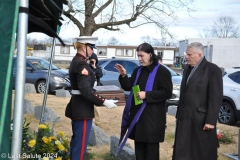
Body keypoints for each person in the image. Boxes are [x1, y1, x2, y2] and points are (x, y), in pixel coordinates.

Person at [115, 42, 173, 160]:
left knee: (151, 154)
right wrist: (123, 76)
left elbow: (167, 93)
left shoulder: (162, 71)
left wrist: (146, 95)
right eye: (138, 56)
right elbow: (129, 87)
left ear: (150, 54)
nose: (140, 59)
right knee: (139, 152)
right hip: (138, 118)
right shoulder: (138, 70)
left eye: (142, 56)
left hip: (152, 119)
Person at [65, 36, 118, 160]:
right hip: (82, 109)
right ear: (84, 47)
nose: (93, 51)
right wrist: (104, 101)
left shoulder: (78, 61)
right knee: (80, 147)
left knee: (76, 144)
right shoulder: (81, 64)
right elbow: (86, 90)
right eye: (91, 48)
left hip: (78, 106)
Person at [172, 42, 223, 160]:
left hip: (201, 120)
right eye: (186, 54)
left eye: (189, 54)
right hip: (185, 118)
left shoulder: (212, 70)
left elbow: (216, 97)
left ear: (199, 54)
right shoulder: (187, 69)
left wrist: (211, 120)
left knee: (199, 153)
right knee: (183, 152)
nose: (186, 57)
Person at [88, 53, 103, 126]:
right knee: (91, 106)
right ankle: (93, 122)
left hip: (96, 89)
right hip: (89, 89)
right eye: (91, 60)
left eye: (94, 60)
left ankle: (97, 122)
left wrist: (94, 67)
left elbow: (100, 75)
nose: (92, 62)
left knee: (95, 107)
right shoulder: (87, 67)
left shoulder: (98, 68)